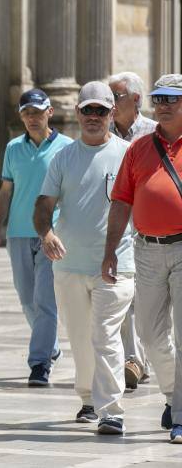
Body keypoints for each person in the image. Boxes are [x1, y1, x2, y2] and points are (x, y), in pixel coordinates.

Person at [34, 81, 134, 435]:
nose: (94, 117)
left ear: (113, 114)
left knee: (104, 335)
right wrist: (46, 233)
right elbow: (44, 204)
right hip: (69, 264)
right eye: (87, 110)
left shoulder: (128, 153)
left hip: (117, 265)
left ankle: (112, 411)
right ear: (77, 113)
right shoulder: (63, 157)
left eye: (101, 111)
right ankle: (89, 399)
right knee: (79, 337)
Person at [103, 73, 182, 443]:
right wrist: (110, 252)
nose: (163, 106)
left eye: (172, 99)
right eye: (158, 99)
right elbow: (121, 201)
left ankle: (181, 414)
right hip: (146, 249)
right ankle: (173, 394)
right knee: (150, 337)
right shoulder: (138, 149)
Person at [0, 89, 72, 386]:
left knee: (45, 300)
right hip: (19, 233)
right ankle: (51, 346)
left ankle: (39, 364)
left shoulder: (67, 148)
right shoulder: (12, 148)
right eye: (27, 113)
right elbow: (5, 191)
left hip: (52, 234)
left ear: (50, 112)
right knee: (26, 298)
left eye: (37, 112)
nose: (32, 119)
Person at [108, 71, 157, 390]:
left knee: (150, 302)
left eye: (116, 98)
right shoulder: (103, 134)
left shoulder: (156, 132)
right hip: (120, 227)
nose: (110, 105)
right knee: (122, 294)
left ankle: (147, 358)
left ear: (136, 100)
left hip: (154, 226)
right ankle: (134, 361)